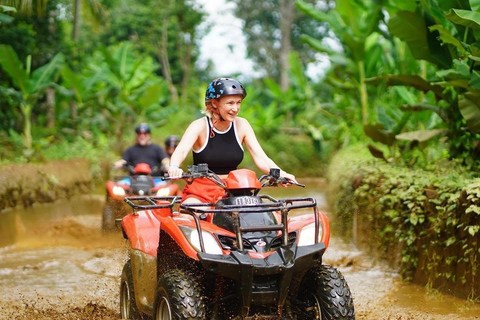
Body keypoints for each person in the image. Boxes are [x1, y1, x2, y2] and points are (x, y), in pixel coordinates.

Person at [168, 77, 296, 205]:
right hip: (201, 191)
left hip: (235, 190)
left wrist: (282, 174)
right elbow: (182, 151)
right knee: (192, 211)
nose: (235, 108)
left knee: (265, 215)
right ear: (214, 104)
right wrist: (174, 167)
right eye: (230, 103)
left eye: (238, 102)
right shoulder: (199, 126)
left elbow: (261, 158)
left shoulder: (242, 125)